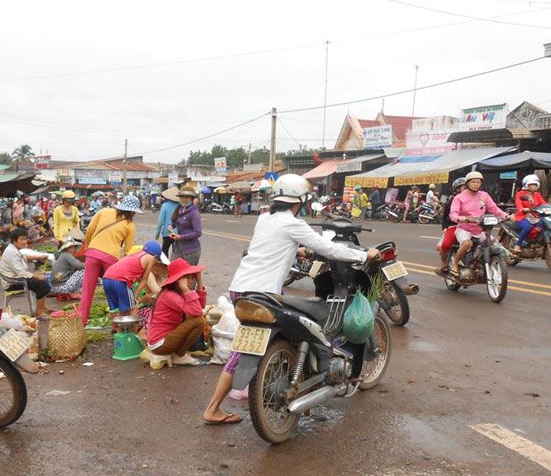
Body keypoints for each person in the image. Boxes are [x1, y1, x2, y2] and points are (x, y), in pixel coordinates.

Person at [202, 174, 379, 425]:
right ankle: (305, 375)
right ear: (301, 201)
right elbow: (329, 248)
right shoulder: (294, 224)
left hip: (241, 290)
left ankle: (221, 403)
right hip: (266, 293)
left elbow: (270, 245)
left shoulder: (264, 218)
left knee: (245, 349)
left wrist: (299, 250)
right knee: (303, 328)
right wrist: (364, 255)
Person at [79, 195, 140, 326]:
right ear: (133, 211)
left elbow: (89, 230)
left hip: (92, 254)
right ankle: (115, 324)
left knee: (87, 291)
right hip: (111, 259)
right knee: (113, 291)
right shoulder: (130, 225)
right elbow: (128, 252)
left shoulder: (104, 212)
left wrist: (89, 246)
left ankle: (81, 323)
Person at [143, 258, 207, 367]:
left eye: (191, 277)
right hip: (160, 345)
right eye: (187, 278)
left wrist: (199, 282)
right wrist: (186, 289)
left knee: (193, 316)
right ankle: (179, 356)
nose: (191, 281)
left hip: (165, 338)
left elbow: (200, 306)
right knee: (199, 321)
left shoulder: (177, 292)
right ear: (179, 280)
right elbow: (197, 312)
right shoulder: (170, 295)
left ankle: (179, 354)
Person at [448, 171, 513, 276]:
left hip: (479, 229)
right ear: (467, 183)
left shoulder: (484, 196)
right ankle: (455, 264)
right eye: (473, 182)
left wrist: (506, 216)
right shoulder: (459, 197)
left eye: (478, 182)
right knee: (466, 243)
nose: (475, 184)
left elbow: (494, 209)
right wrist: (459, 218)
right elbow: (453, 213)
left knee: (492, 243)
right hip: (464, 228)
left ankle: (480, 263)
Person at [102, 240, 169, 319]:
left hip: (106, 278)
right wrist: (135, 298)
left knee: (122, 309)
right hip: (121, 281)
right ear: (155, 257)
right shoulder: (150, 258)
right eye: (157, 262)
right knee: (133, 307)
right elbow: (145, 281)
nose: (156, 265)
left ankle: (118, 326)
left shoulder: (134, 257)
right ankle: (132, 327)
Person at [0, 227, 52, 319]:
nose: (24, 242)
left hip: (17, 278)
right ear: (14, 241)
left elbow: (23, 257)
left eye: (25, 239)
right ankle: (39, 312)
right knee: (43, 285)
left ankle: (43, 307)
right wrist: (37, 276)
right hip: (14, 282)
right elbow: (20, 272)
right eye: (22, 239)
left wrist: (37, 258)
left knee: (43, 281)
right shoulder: (12, 252)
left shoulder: (13, 249)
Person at [436, 177, 466, 275]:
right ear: (457, 189)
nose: (466, 189)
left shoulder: (475, 199)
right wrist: (445, 227)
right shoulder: (453, 200)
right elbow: (445, 216)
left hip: (471, 226)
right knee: (446, 244)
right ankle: (443, 263)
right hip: (455, 226)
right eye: (464, 187)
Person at [513, 174, 547, 254]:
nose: (533, 186)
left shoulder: (537, 195)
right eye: (531, 184)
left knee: (543, 224)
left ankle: (533, 240)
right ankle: (518, 244)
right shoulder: (520, 194)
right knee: (527, 227)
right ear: (526, 185)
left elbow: (544, 204)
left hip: (534, 216)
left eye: (535, 184)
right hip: (522, 216)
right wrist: (522, 209)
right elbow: (518, 204)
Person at [168, 186, 203, 265]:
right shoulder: (180, 209)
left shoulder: (194, 213)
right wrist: (171, 226)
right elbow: (176, 222)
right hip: (177, 248)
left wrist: (181, 237)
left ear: (191, 198)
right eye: (182, 197)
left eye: (187, 197)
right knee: (172, 268)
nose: (184, 199)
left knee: (188, 272)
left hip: (191, 251)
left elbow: (198, 232)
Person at [155, 187, 180, 256]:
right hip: (177, 233)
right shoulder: (180, 206)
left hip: (167, 233)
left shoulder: (165, 206)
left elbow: (160, 221)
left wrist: (157, 233)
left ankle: (166, 263)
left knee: (164, 251)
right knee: (176, 252)